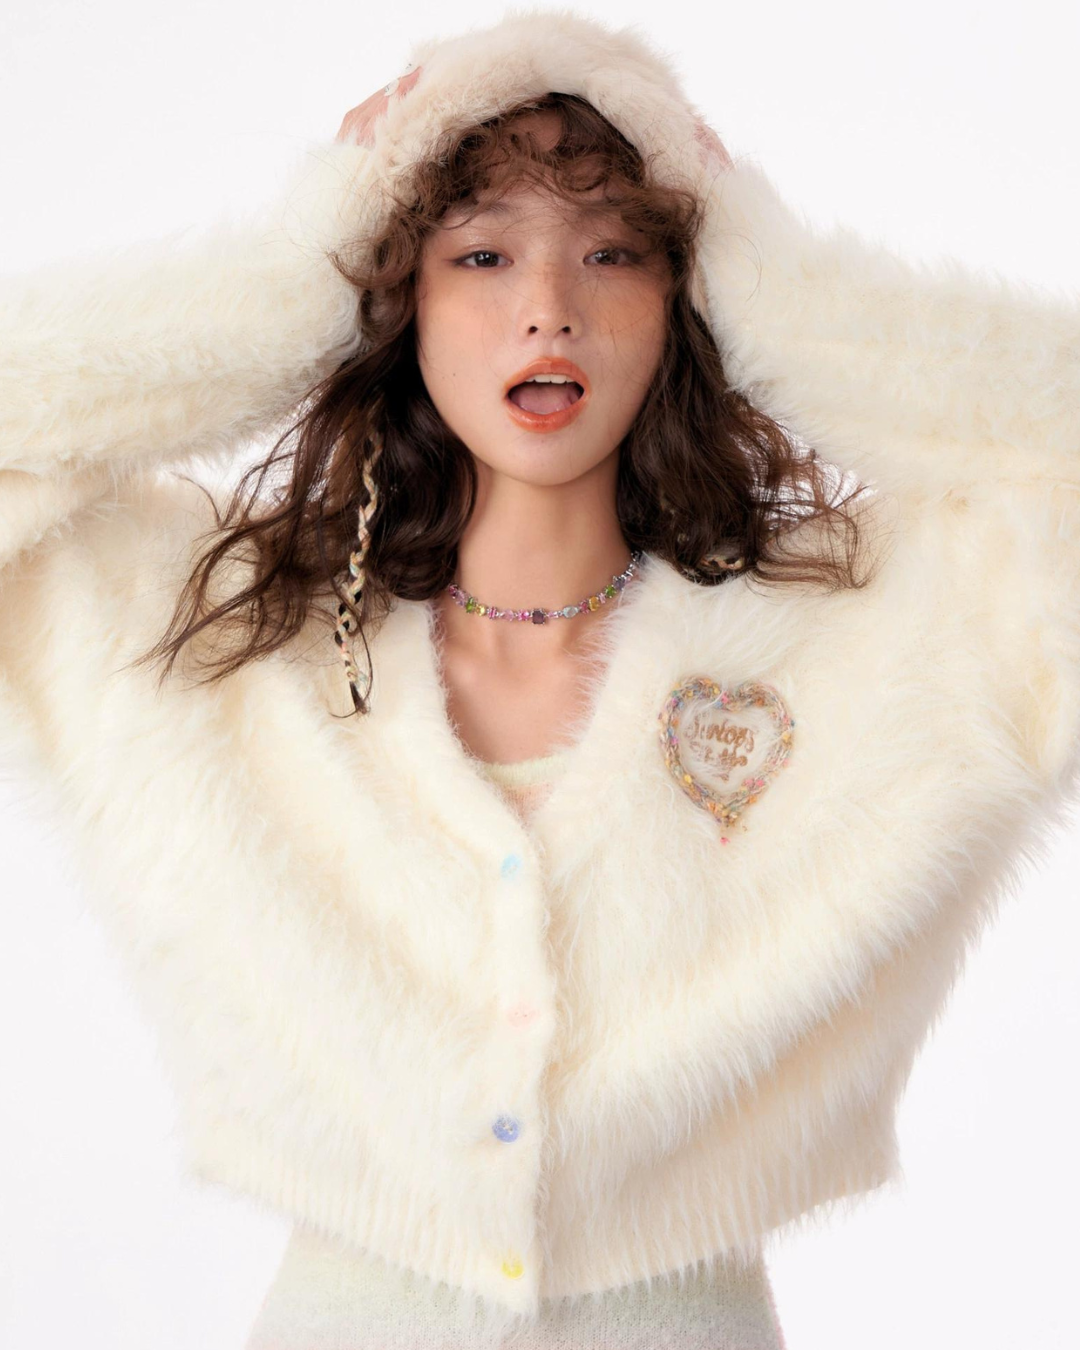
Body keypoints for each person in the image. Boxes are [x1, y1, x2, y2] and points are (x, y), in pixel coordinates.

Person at [1, 9, 1076, 1348]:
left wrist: (787, 286)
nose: (549, 305)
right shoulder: (227, 645)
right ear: (398, 295)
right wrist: (289, 276)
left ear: (689, 296)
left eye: (614, 251)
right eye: (481, 253)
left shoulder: (858, 642)